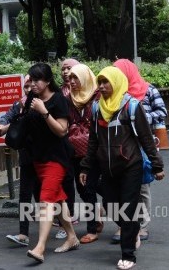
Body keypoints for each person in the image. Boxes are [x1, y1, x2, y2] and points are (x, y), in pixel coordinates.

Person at [79, 66, 165, 270]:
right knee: (110, 206)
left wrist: (157, 165)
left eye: (105, 82)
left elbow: (146, 139)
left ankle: (128, 254)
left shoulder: (132, 107)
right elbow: (93, 141)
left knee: (127, 208)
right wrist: (85, 167)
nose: (101, 86)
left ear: (116, 82)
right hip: (107, 168)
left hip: (130, 166)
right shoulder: (96, 108)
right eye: (99, 82)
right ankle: (133, 229)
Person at [4, 63, 78, 263]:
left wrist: (44, 112)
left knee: (46, 201)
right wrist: (6, 128)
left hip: (56, 158)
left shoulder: (59, 100)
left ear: (47, 81)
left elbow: (62, 131)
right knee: (58, 199)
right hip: (38, 158)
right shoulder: (31, 99)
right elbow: (24, 121)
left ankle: (40, 247)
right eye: (31, 80)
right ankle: (71, 236)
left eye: (37, 80)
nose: (32, 84)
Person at [113, 59, 168, 242]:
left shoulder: (148, 89)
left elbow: (162, 112)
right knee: (121, 187)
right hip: (120, 146)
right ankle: (125, 225)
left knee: (142, 187)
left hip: (142, 144)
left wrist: (140, 119)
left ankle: (142, 225)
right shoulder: (115, 92)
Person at [0, 75, 41, 247]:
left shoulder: (44, 103)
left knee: (47, 197)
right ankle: (23, 234)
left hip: (46, 158)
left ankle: (65, 227)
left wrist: (7, 127)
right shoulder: (18, 105)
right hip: (27, 158)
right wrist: (0, 125)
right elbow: (7, 117)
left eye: (32, 86)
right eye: (26, 86)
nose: (28, 90)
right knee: (25, 196)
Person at [66, 64, 103, 244]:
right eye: (70, 78)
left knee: (89, 187)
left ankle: (92, 228)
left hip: (94, 150)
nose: (72, 81)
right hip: (74, 151)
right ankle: (97, 215)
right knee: (82, 188)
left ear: (86, 78)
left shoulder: (98, 97)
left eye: (76, 78)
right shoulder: (67, 98)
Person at [54, 58, 81, 240]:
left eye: (69, 68)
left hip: (83, 144)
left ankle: (97, 216)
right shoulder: (57, 92)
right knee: (66, 181)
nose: (65, 72)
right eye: (63, 69)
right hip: (63, 143)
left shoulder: (87, 89)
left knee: (85, 183)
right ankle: (67, 219)